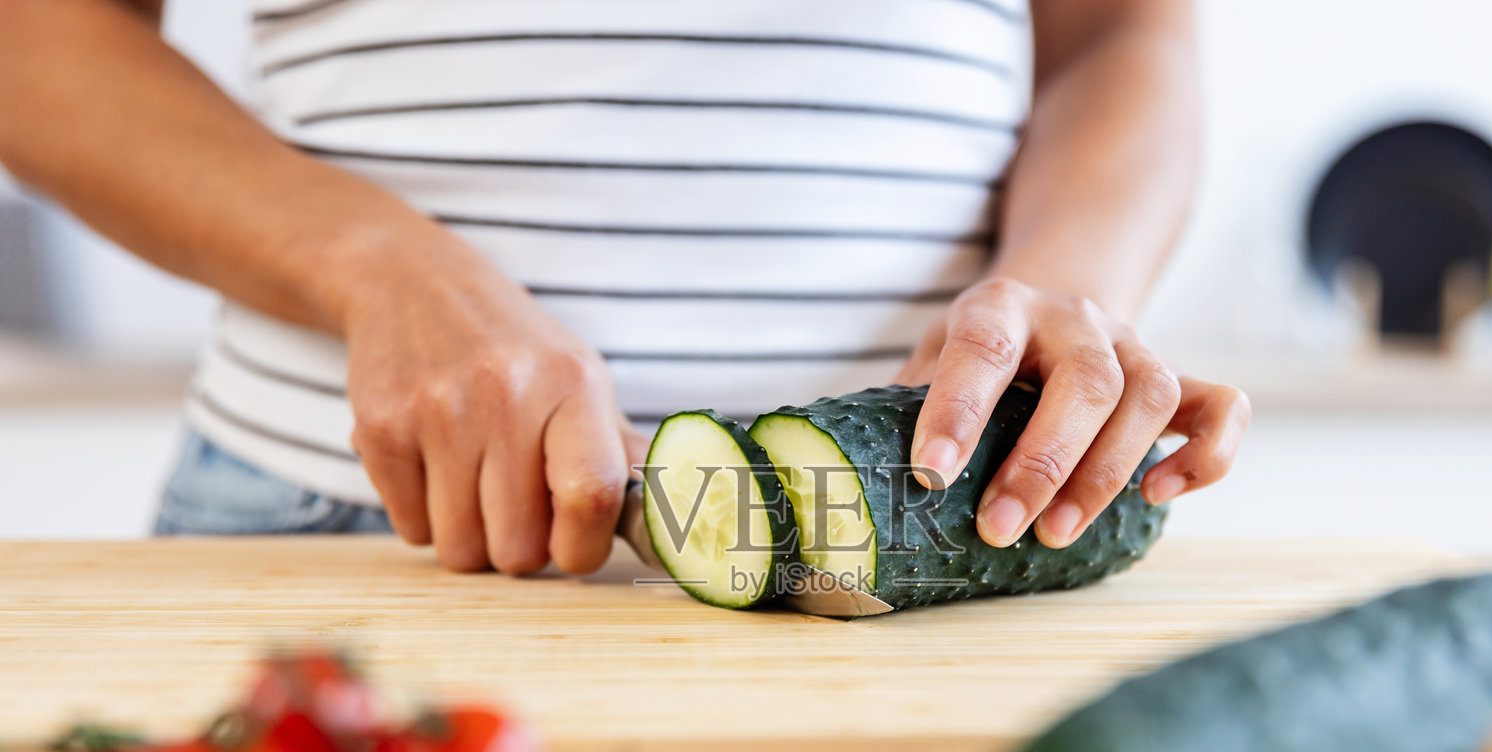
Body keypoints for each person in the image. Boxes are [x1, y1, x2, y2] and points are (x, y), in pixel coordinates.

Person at [0, 0, 1249, 575]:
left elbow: (1122, 33)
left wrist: (1064, 281)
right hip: (346, 519)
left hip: (924, 539)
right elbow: (39, 41)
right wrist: (374, 264)